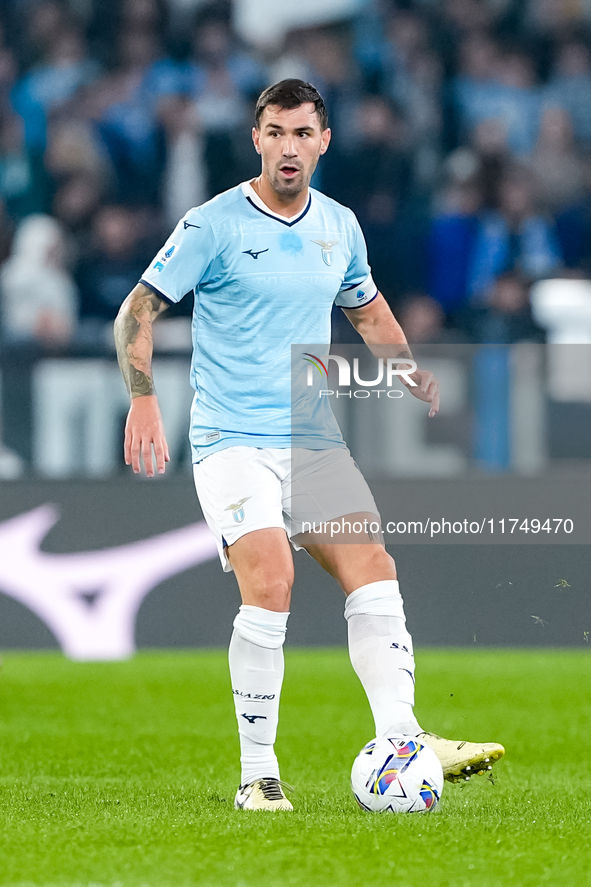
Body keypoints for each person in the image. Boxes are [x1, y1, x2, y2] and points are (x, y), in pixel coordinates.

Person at [114, 79, 504, 811]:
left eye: (302, 133)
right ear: (256, 140)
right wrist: (142, 401)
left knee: (374, 569)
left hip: (311, 440)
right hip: (232, 439)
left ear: (323, 141)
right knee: (270, 585)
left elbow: (366, 304)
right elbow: (137, 308)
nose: (288, 146)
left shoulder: (339, 225)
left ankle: (403, 738)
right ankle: (256, 773)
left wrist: (408, 368)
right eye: (275, 132)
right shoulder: (213, 224)